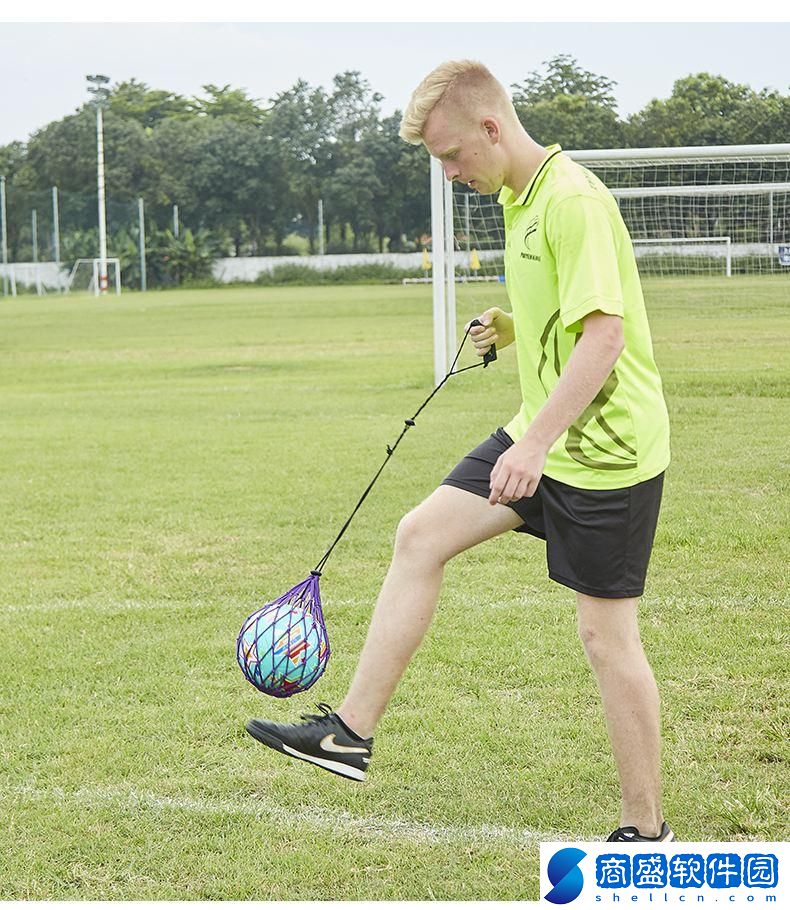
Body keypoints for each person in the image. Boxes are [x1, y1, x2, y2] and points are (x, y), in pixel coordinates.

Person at [246, 60, 674, 843]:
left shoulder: (571, 199)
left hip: (605, 451)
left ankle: (645, 831)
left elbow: (605, 337)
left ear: (490, 126)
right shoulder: (521, 197)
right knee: (420, 536)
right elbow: (569, 315)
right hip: (542, 430)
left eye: (451, 156)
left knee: (606, 639)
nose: (447, 174)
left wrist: (537, 443)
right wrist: (512, 327)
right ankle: (348, 734)